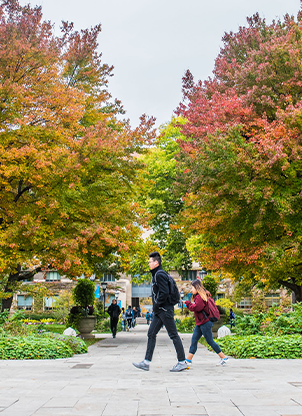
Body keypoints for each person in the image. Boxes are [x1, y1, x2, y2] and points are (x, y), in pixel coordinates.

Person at [133, 251, 188, 372]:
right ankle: (146, 362)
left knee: (173, 334)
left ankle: (182, 361)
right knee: (151, 333)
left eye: (150, 262)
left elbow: (164, 293)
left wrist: (157, 304)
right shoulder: (157, 274)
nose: (148, 264)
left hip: (164, 310)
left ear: (156, 263)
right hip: (160, 311)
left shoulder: (159, 274)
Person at [185, 279, 228, 366]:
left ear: (197, 288)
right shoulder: (200, 296)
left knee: (210, 341)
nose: (191, 290)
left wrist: (187, 303)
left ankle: (223, 357)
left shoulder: (200, 297)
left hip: (205, 323)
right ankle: (188, 360)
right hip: (200, 322)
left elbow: (197, 307)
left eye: (192, 288)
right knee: (194, 340)